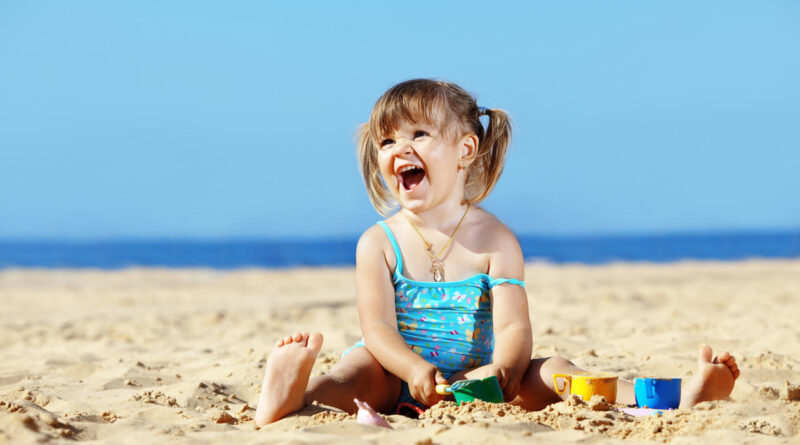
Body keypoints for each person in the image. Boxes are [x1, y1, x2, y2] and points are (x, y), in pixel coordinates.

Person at [254, 79, 740, 426]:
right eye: (387, 140)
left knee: (557, 373)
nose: (399, 148)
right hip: (396, 373)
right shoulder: (378, 243)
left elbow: (512, 326)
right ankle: (294, 394)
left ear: (466, 149)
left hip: (481, 375)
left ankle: (679, 395)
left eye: (419, 134)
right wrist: (411, 369)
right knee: (353, 373)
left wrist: (505, 371)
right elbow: (377, 329)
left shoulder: (496, 240)